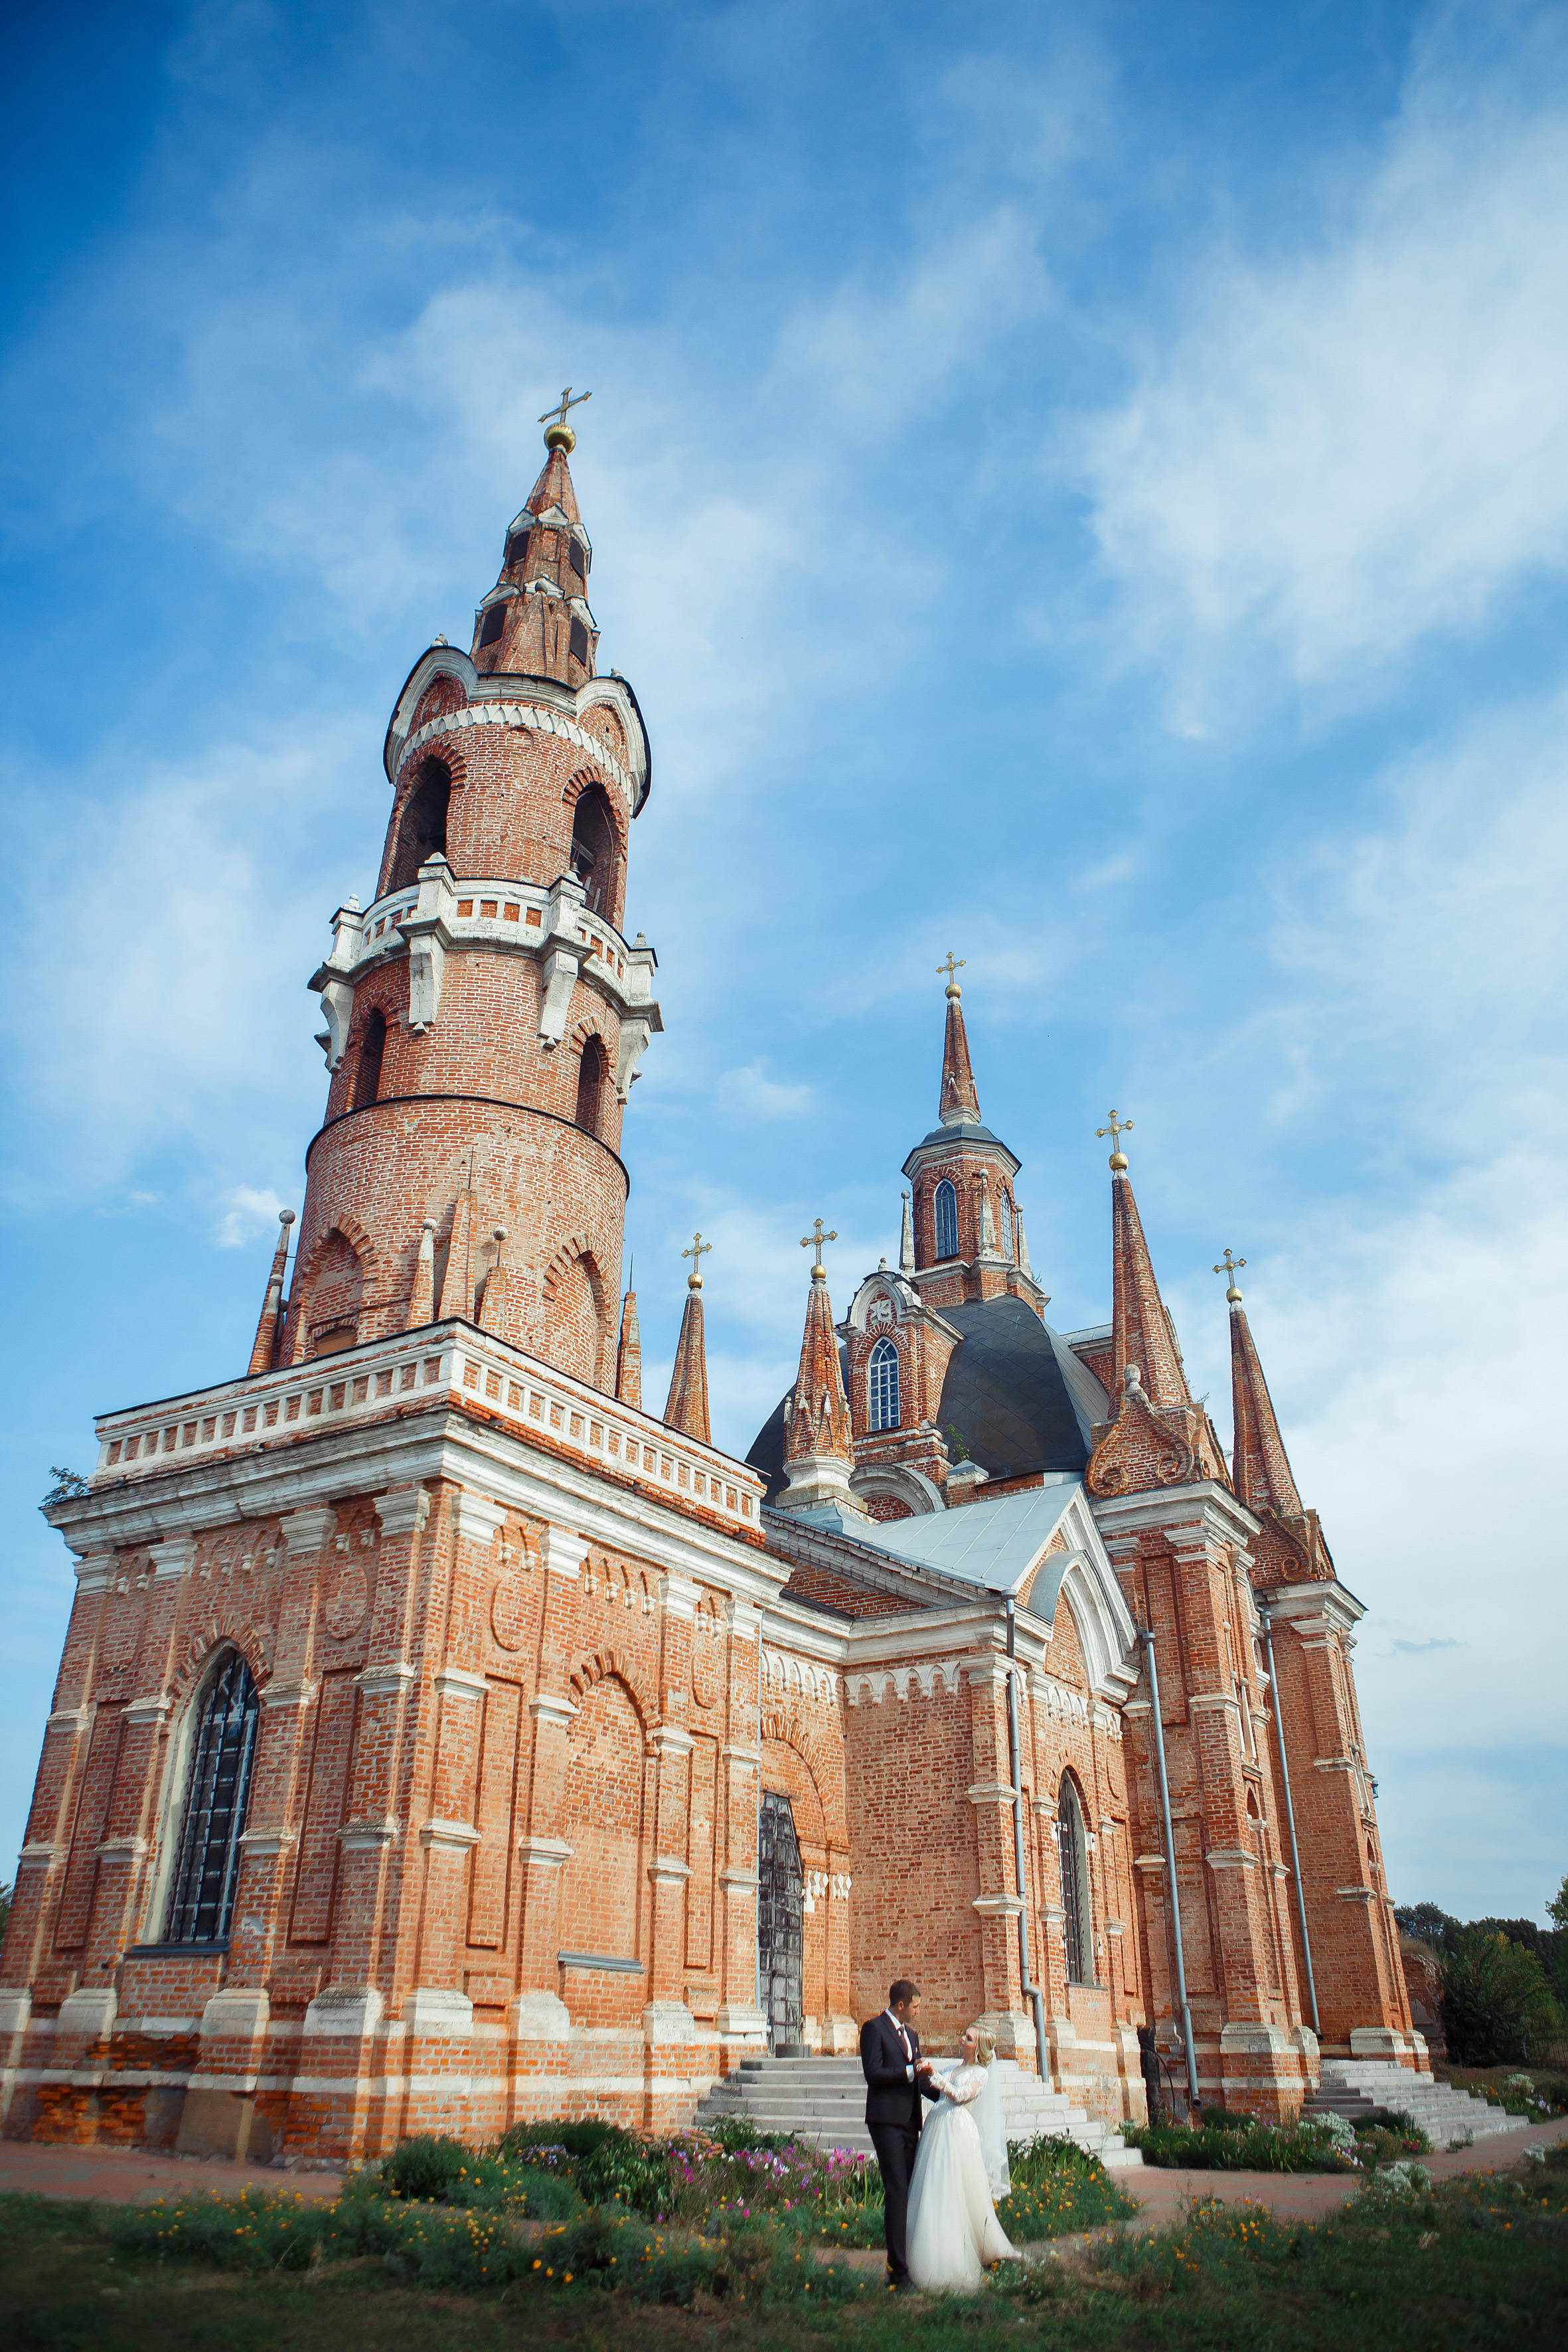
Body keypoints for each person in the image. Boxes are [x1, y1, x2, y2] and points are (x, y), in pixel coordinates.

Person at [904, 2025, 1020, 2293]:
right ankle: (927, 2247)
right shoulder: (955, 2069)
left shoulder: (980, 2074)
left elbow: (959, 2096)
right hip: (937, 2128)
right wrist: (924, 2074)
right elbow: (938, 2089)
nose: (962, 2040)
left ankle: (955, 2256)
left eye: (968, 2038)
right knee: (933, 2188)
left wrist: (936, 2076)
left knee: (954, 2188)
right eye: (964, 2036)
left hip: (957, 2131)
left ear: (978, 2048)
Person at [860, 1978, 941, 2288]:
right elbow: (874, 2073)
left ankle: (906, 2260)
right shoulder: (874, 2029)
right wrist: (910, 2071)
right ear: (901, 2005)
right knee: (896, 2191)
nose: (918, 2013)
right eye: (916, 2007)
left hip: (910, 2122)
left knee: (908, 2191)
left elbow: (920, 2083)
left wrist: (948, 2094)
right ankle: (898, 2271)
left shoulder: (912, 2035)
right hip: (885, 2122)